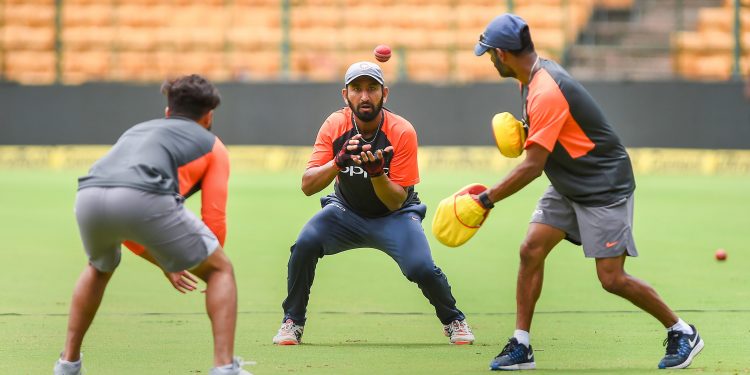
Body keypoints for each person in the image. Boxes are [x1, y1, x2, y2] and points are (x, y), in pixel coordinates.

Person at [471, 14, 704, 371]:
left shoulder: (545, 90)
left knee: (611, 279)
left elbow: (533, 166)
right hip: (569, 181)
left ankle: (683, 331)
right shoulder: (530, 78)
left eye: (488, 53)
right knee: (531, 249)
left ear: (502, 54)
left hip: (602, 186)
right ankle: (521, 344)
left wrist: (486, 199)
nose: (487, 59)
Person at [54, 74, 252, 375]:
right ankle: (224, 367)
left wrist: (165, 262)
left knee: (99, 266)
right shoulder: (212, 145)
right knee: (220, 269)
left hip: (88, 196)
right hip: (145, 198)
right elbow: (214, 220)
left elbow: (125, 227)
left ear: (168, 112)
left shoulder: (137, 131)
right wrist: (200, 264)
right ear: (209, 115)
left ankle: (68, 363)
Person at [272, 61, 474, 346]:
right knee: (305, 244)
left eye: (372, 89)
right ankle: (292, 321)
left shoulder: (402, 131)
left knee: (421, 268)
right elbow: (307, 185)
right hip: (345, 211)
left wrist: (377, 173)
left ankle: (453, 318)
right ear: (346, 95)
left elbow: (395, 202)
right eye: (357, 89)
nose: (364, 96)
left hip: (396, 216)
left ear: (384, 94)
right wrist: (337, 162)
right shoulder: (335, 124)